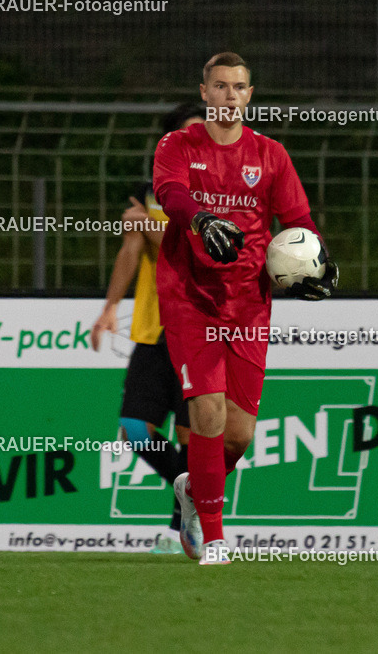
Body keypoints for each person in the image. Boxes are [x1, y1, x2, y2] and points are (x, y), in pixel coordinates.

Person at [153, 52, 338, 565]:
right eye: (220, 86)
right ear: (205, 92)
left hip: (249, 302)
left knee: (239, 437)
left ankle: (194, 490)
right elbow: (169, 193)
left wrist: (315, 261)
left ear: (249, 96)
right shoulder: (178, 145)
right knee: (206, 410)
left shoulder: (271, 155)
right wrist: (200, 219)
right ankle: (214, 537)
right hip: (191, 297)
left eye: (239, 87)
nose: (230, 96)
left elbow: (298, 220)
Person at [91, 103, 205, 554]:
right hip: (154, 328)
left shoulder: (222, 195)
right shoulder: (152, 190)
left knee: (189, 435)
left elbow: (193, 252)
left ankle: (184, 528)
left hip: (199, 326)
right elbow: (132, 249)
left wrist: (147, 224)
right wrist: (110, 307)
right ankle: (193, 495)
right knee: (135, 428)